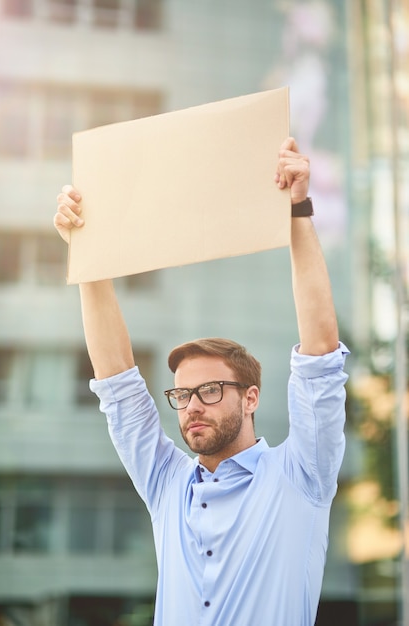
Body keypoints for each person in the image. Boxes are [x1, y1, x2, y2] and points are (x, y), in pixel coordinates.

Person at [54, 137, 349, 626]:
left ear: (251, 397)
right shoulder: (168, 483)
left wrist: (298, 209)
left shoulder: (302, 475)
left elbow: (320, 354)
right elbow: (118, 382)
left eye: (210, 391)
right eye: (183, 395)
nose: (191, 406)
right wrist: (88, 253)